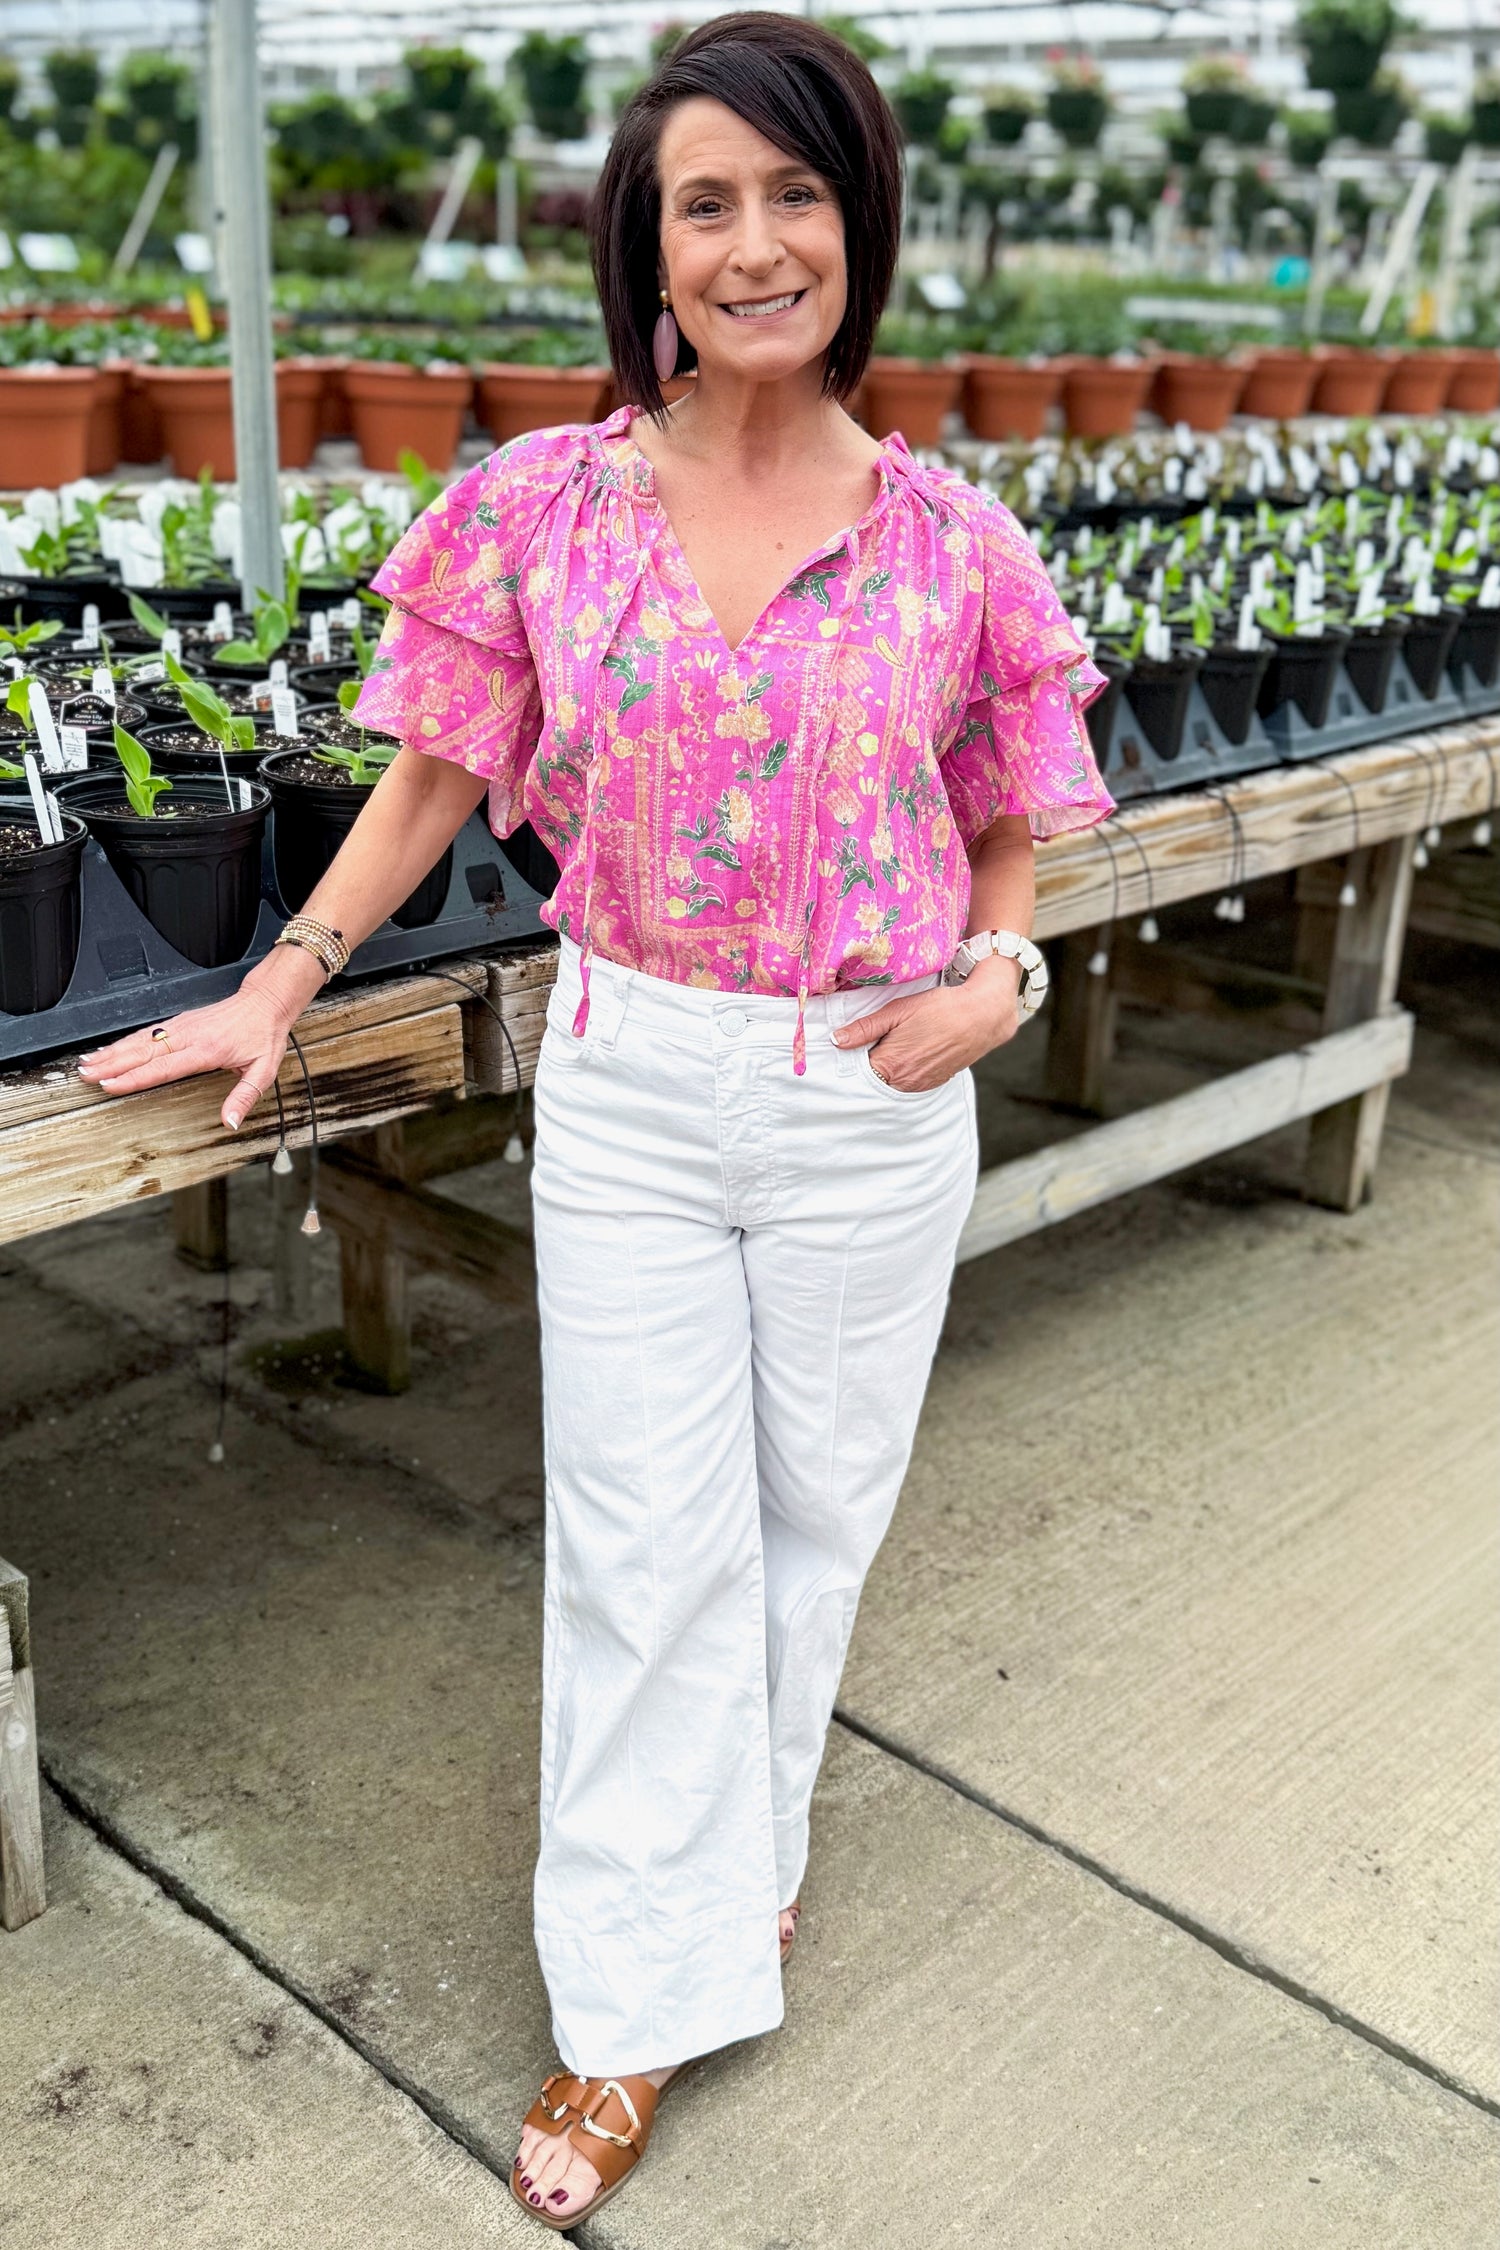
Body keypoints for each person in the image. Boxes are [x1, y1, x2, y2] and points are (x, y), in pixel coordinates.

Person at [80, 12, 1114, 2232]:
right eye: (706, 202)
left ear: (862, 223)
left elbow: (1009, 816)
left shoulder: (953, 543)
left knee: (810, 1533)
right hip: (640, 1079)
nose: (753, 244)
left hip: (870, 1094)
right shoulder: (544, 504)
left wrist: (997, 981)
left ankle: (748, 1876)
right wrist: (275, 985)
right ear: (649, 244)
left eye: (795, 194)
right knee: (645, 1557)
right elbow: (436, 782)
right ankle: (629, 2007)